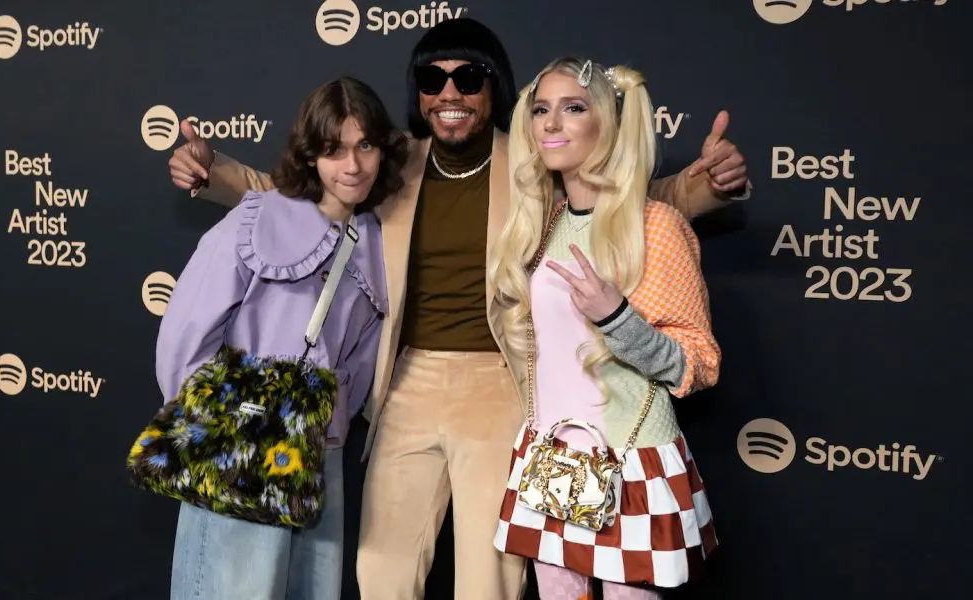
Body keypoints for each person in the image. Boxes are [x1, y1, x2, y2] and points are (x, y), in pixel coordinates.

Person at [165, 18, 748, 600]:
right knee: (382, 570)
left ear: (495, 89)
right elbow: (299, 193)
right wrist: (209, 170)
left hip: (499, 384)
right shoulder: (391, 164)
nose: (449, 93)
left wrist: (710, 188)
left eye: (468, 77)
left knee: (489, 577)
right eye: (432, 78)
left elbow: (627, 199)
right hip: (407, 385)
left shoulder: (531, 161)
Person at [154, 77, 408, 600]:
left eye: (365, 146)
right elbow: (188, 328)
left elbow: (362, 358)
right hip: (239, 441)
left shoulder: (380, 242)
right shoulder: (256, 218)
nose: (353, 165)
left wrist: (327, 424)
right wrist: (216, 422)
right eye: (334, 149)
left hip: (317, 454)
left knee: (306, 588)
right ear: (311, 154)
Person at [487, 57, 721, 599]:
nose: (550, 124)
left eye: (573, 108)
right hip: (550, 461)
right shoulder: (543, 227)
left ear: (608, 124)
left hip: (629, 465)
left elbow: (698, 365)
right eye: (541, 109)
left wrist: (616, 318)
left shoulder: (654, 227)